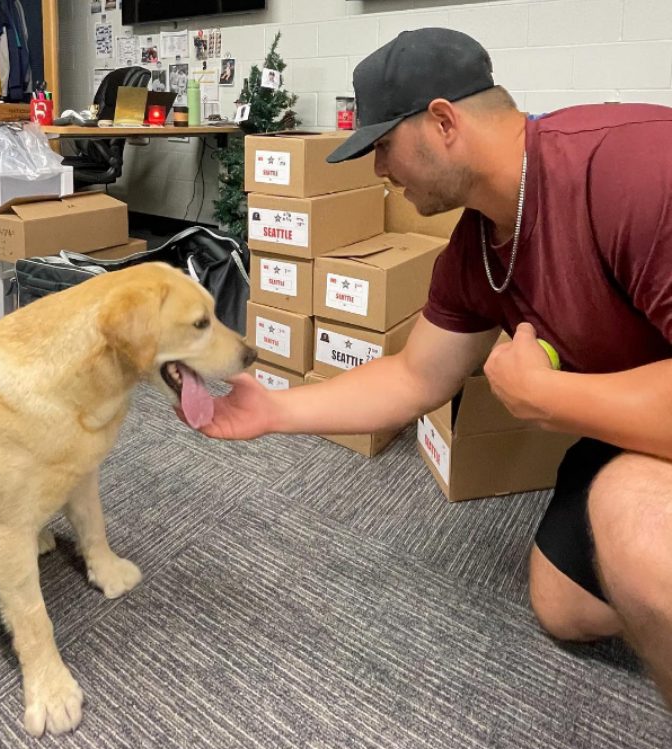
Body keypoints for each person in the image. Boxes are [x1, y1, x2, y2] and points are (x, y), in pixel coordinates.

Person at [194, 28, 672, 708]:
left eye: (384, 147)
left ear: (444, 122)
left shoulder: (631, 170)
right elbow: (416, 377)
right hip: (637, 418)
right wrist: (276, 408)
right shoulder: (474, 247)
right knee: (562, 604)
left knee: (638, 533)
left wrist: (550, 398)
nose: (379, 170)